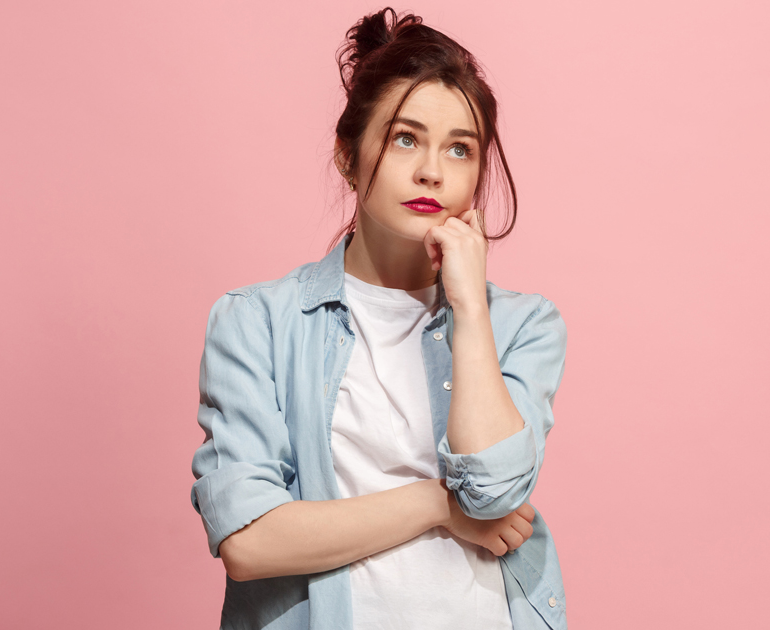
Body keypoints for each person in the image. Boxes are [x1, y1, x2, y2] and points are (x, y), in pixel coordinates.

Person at [190, 7, 568, 629]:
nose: (432, 171)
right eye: (404, 138)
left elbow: (496, 492)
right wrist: (438, 506)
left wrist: (469, 306)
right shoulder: (257, 322)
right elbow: (250, 541)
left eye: (459, 149)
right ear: (348, 154)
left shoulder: (524, 325)